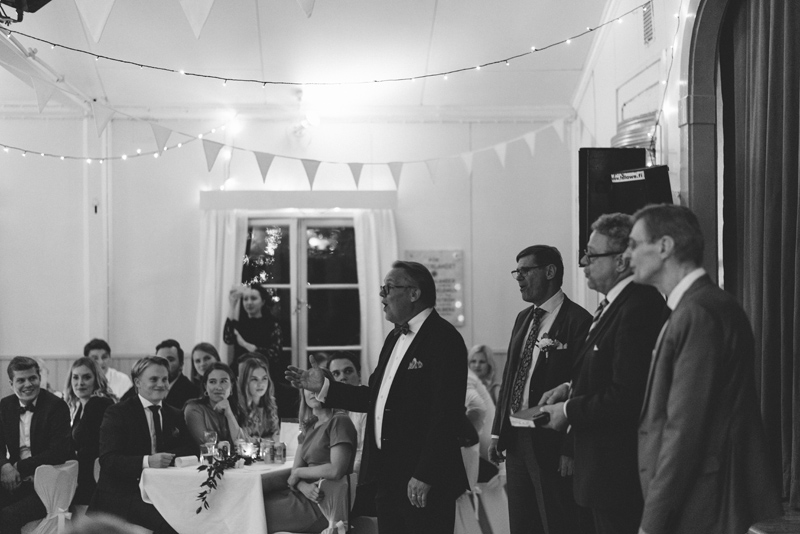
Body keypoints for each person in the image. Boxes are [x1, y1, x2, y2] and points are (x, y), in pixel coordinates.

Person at [625, 204, 782, 534]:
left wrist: (652, 523)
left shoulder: (697, 312)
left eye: (634, 244)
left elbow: (684, 430)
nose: (628, 255)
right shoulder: (698, 306)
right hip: (701, 500)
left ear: (665, 246)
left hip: (706, 505)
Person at [287, 260, 469, 534]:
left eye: (389, 287)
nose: (382, 294)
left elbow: (447, 413)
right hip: (387, 474)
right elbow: (373, 397)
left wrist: (425, 474)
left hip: (421, 477)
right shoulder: (394, 338)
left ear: (414, 293)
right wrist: (325, 387)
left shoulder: (444, 338)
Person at [537, 213, 667, 534]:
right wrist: (570, 387)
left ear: (621, 261)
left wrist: (567, 411)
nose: (583, 263)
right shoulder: (614, 304)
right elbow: (607, 368)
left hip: (619, 473)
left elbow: (628, 395)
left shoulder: (638, 307)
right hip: (602, 472)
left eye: (592, 255)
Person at [489, 245, 592, 534]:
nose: (519, 278)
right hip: (516, 437)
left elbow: (584, 384)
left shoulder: (578, 321)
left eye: (525, 270)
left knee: (556, 523)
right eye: (517, 272)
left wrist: (570, 447)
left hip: (551, 441)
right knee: (522, 524)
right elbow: (510, 377)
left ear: (550, 272)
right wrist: (497, 432)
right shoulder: (523, 318)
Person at [88, 356, 195, 534]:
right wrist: (147, 461)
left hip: (163, 491)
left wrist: (168, 459)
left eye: (165, 379)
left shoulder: (174, 414)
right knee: (172, 526)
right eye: (154, 379)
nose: (161, 384)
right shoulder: (118, 413)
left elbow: (190, 449)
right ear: (138, 382)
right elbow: (109, 460)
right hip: (123, 494)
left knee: (195, 517)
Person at [263, 372, 357, 534]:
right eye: (308, 386)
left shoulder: (339, 421)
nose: (313, 390)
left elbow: (336, 470)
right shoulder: (308, 427)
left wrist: (299, 474)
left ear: (330, 389)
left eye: (318, 384)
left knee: (258, 511)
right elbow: (294, 473)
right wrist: (302, 485)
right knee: (257, 502)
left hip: (325, 504)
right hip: (305, 494)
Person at [0, 357, 72, 534]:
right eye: (21, 380)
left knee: (7, 516)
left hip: (48, 484)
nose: (28, 384)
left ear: (39, 378)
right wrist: (5, 466)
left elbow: (58, 452)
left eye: (32, 378)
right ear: (11, 383)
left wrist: (18, 467)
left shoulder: (56, 406)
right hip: (15, 480)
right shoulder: (5, 405)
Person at [224, 284, 295, 418]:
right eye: (245, 299)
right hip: (241, 376)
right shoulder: (240, 324)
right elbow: (227, 338)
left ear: (263, 301)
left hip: (265, 377)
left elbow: (275, 354)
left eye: (253, 298)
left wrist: (247, 345)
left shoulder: (272, 325)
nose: (248, 302)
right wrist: (232, 304)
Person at [64, 357, 116, 506]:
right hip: (85, 473)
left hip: (95, 477)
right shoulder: (81, 405)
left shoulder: (98, 404)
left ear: (96, 380)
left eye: (86, 377)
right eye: (75, 377)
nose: (80, 383)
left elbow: (91, 449)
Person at [184, 363, 244, 447]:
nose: (218, 387)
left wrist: (229, 414)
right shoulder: (193, 409)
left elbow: (242, 446)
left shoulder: (235, 409)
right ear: (205, 386)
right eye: (212, 382)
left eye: (223, 381)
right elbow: (207, 446)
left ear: (232, 386)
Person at [237, 357, 280, 440]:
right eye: (254, 379)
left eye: (264, 378)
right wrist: (268, 440)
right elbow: (241, 440)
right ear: (245, 381)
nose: (260, 384)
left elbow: (276, 436)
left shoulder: (270, 404)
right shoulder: (238, 407)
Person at [155, 339, 199, 410]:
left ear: (181, 365)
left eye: (170, 359)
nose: (164, 364)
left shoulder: (192, 392)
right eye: (160, 360)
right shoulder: (148, 387)